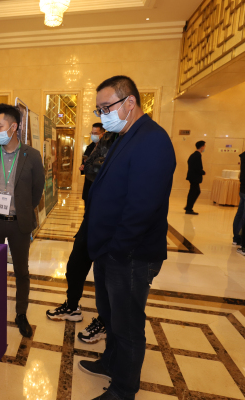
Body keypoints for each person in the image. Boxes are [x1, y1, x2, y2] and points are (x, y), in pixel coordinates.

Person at [78, 76, 176, 400]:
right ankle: (110, 362)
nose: (102, 114)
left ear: (130, 103)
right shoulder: (125, 136)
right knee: (110, 316)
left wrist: (117, 250)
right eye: (99, 109)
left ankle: (123, 389)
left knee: (128, 325)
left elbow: (141, 207)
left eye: (106, 107)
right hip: (111, 250)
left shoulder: (152, 140)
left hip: (130, 254)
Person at [46, 125, 120, 344]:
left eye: (105, 109)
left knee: (106, 276)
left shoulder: (128, 141)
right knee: (75, 264)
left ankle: (105, 322)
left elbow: (98, 169)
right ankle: (72, 306)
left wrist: (94, 165)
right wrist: (92, 165)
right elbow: (89, 168)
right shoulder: (106, 140)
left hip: (113, 219)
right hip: (93, 213)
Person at [0, 104, 45, 338]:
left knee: (21, 271)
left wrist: (24, 210)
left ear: (13, 127)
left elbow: (37, 190)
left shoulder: (32, 156)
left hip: (19, 223)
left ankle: (21, 313)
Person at [80, 123, 105, 202]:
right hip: (88, 183)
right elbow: (84, 162)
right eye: (92, 133)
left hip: (99, 184)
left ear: (103, 134)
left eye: (96, 133)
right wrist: (83, 166)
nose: (93, 135)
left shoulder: (106, 148)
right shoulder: (90, 147)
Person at [184, 141, 206, 215]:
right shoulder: (197, 155)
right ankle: (189, 209)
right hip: (194, 177)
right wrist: (202, 172)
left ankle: (188, 207)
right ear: (202, 147)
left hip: (192, 176)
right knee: (194, 192)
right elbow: (197, 167)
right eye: (204, 146)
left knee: (195, 192)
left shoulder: (193, 155)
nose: (204, 148)